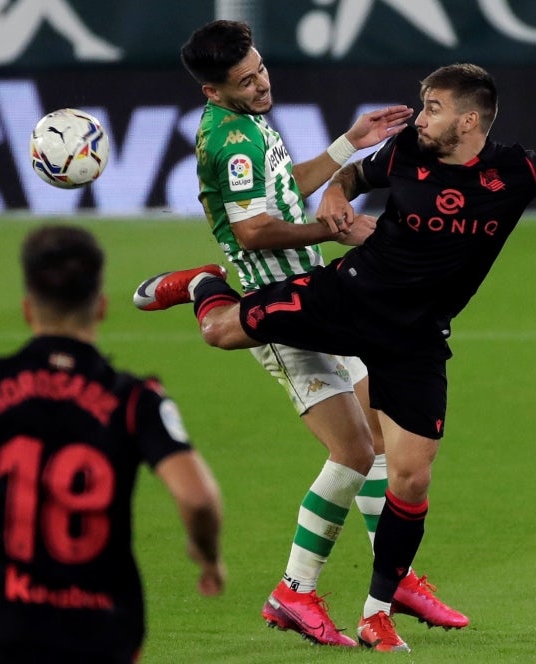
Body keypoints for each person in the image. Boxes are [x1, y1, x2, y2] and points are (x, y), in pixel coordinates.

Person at [131, 63, 536, 652]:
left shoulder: (518, 171)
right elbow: (351, 177)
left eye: (432, 109)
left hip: (416, 338)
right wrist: (334, 197)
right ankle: (202, 282)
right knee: (221, 332)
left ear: (470, 122)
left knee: (411, 473)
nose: (419, 119)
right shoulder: (405, 153)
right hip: (347, 296)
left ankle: (377, 610)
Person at [140, 19, 465, 647]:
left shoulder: (252, 120)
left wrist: (349, 142)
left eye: (261, 69)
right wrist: (335, 229)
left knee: (375, 432)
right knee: (352, 451)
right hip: (282, 310)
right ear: (212, 91)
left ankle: (393, 577)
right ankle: (295, 590)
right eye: (245, 81)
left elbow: (285, 195)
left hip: (325, 295)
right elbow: (256, 232)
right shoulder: (231, 141)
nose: (262, 85)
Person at [0, 225, 225, 663]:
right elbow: (198, 498)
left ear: (26, 309)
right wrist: (207, 555)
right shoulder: (135, 400)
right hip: (100, 632)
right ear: (102, 308)